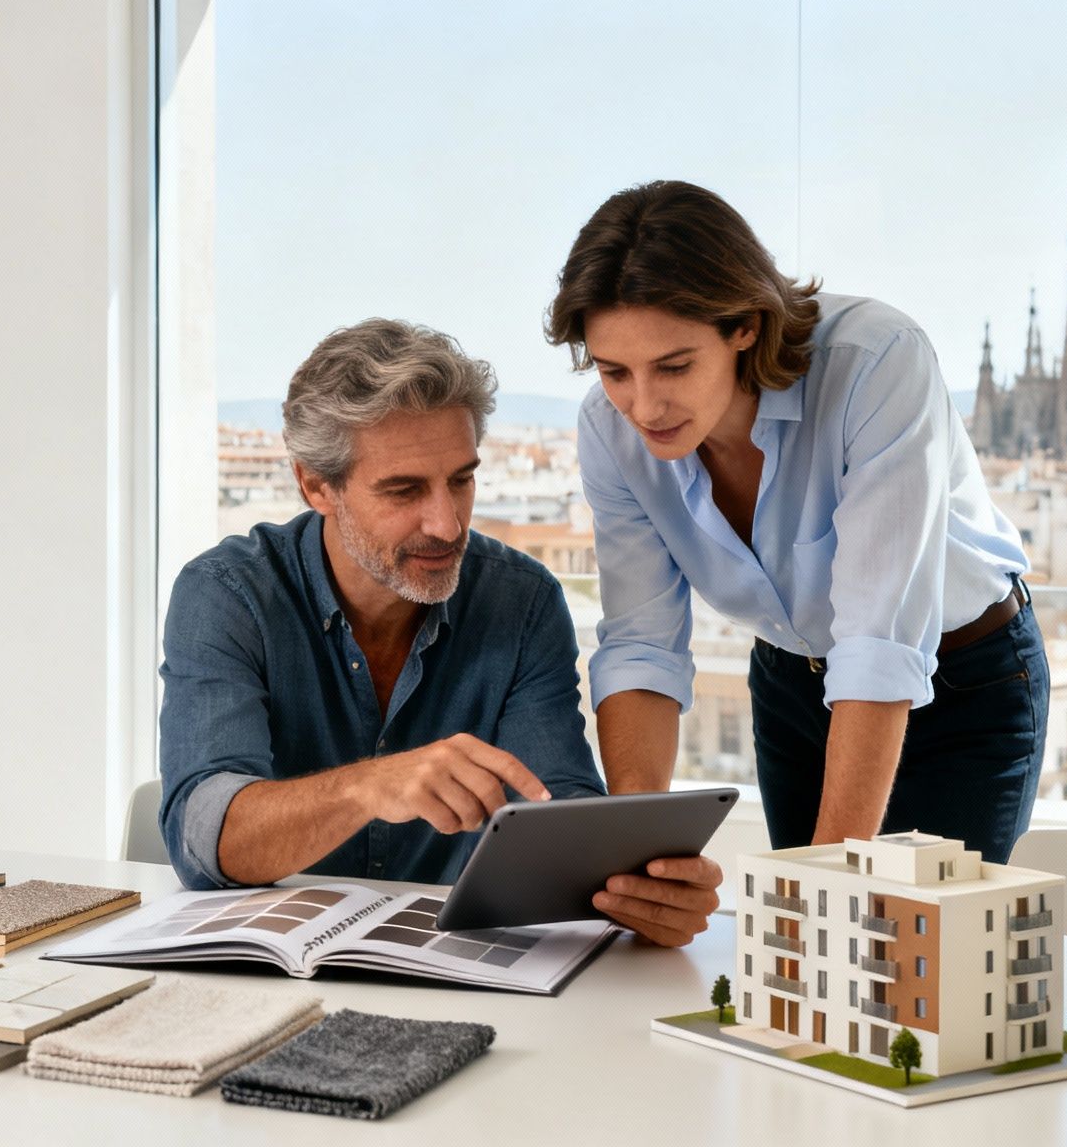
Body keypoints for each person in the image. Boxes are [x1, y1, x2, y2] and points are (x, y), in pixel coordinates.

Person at [159, 317, 723, 946]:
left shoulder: (522, 601)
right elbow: (204, 835)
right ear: (316, 485)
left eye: (461, 479)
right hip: (268, 969)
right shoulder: (227, 595)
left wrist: (638, 889)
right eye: (404, 490)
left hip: (459, 968)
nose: (448, 525)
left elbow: (557, 809)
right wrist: (367, 788)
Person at [548, 180, 1049, 862]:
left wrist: (829, 884)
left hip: (963, 681)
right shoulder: (609, 431)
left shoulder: (876, 362)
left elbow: (877, 643)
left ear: (745, 325)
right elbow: (641, 647)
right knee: (806, 955)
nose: (643, 405)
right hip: (791, 681)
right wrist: (638, 855)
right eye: (614, 371)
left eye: (674, 366)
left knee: (910, 950)